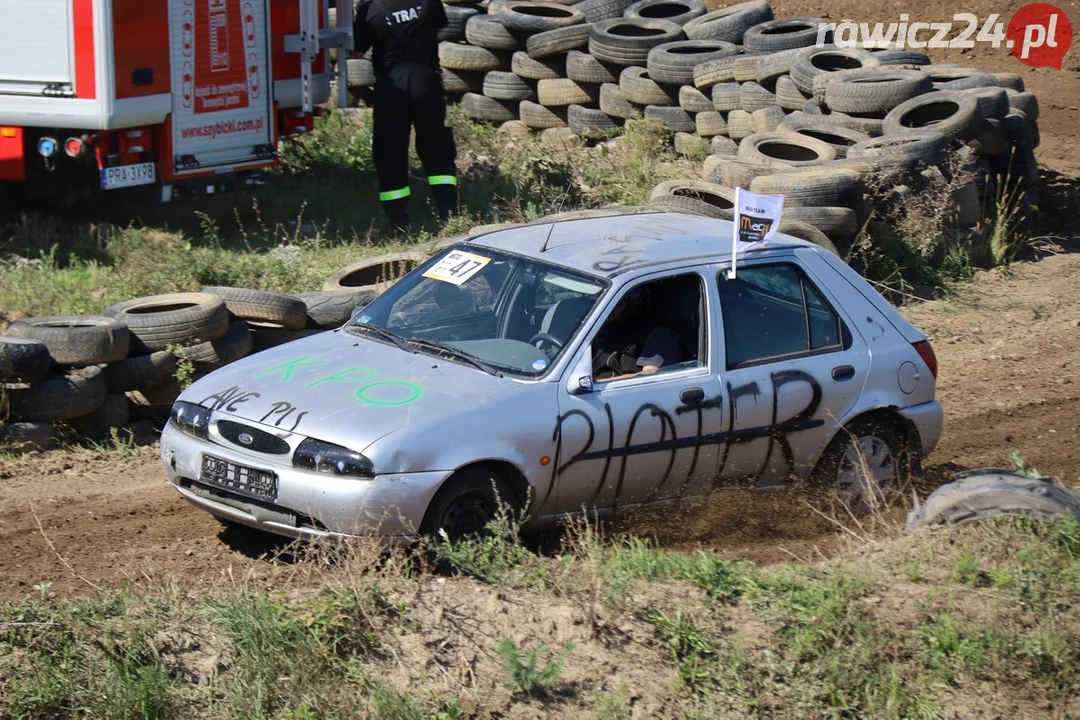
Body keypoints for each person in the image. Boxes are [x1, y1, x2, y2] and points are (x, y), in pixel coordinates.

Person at [353, 0, 459, 234]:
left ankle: (398, 223)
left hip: (392, 89)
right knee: (436, 148)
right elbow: (440, 28)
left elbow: (358, 50)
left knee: (390, 152)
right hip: (427, 84)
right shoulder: (429, 2)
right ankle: (449, 215)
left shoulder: (371, 10)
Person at [592, 286, 684, 383]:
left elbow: (652, 374)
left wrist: (598, 383)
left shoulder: (659, 335)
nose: (608, 308)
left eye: (618, 304)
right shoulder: (600, 328)